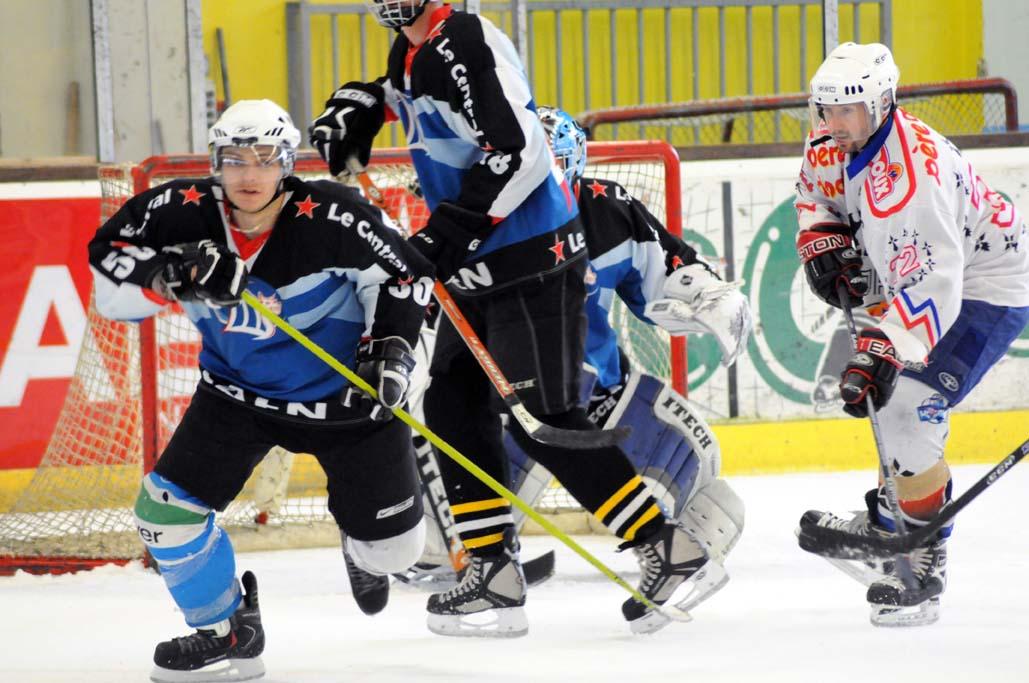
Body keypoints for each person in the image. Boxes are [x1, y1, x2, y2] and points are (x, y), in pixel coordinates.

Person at [310, 1, 724, 637]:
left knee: (543, 422)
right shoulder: (411, 48)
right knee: (451, 405)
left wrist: (447, 234)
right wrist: (367, 101)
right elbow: (419, 98)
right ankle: (493, 570)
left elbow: (520, 150)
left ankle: (668, 548)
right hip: (481, 267)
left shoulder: (465, 39)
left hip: (530, 260)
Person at [89, 99, 433, 681]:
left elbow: (404, 276)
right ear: (216, 161)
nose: (250, 175)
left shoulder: (334, 215)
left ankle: (362, 538)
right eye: (235, 159)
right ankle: (228, 631)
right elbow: (110, 281)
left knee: (393, 552)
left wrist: (390, 351)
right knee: (163, 515)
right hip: (235, 394)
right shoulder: (179, 210)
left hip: (346, 403)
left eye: (265, 159)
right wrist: (169, 276)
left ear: (287, 162)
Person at [397, 106, 749, 599]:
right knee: (440, 541)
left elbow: (665, 271)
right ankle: (487, 563)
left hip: (603, 392)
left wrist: (709, 297)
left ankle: (669, 557)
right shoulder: (474, 219)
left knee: (708, 481)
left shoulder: (605, 209)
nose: (543, 181)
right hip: (513, 402)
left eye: (554, 165)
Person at [794, 42, 1029, 627]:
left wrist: (885, 347)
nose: (836, 124)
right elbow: (816, 195)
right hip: (922, 276)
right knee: (891, 400)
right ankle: (891, 521)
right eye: (827, 110)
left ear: (883, 103)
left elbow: (936, 281)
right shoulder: (832, 139)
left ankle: (921, 562)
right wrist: (821, 237)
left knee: (906, 404)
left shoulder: (911, 178)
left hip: (987, 285)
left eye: (849, 111)